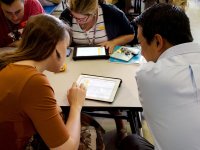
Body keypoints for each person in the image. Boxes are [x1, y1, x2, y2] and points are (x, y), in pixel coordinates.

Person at [120, 3, 200, 150]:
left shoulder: (148, 76)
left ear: (158, 41)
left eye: (140, 43)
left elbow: (144, 70)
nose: (141, 52)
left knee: (130, 141)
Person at [0, 14, 86, 150]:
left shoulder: (10, 62)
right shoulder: (34, 82)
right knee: (90, 132)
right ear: (55, 48)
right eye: (67, 48)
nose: (67, 52)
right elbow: (67, 148)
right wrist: (76, 105)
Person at [59, 0, 135, 53]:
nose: (78, 21)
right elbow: (60, 41)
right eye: (74, 16)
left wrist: (113, 42)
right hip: (77, 59)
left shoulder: (112, 13)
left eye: (82, 19)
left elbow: (131, 34)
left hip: (107, 59)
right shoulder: (66, 15)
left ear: (94, 12)